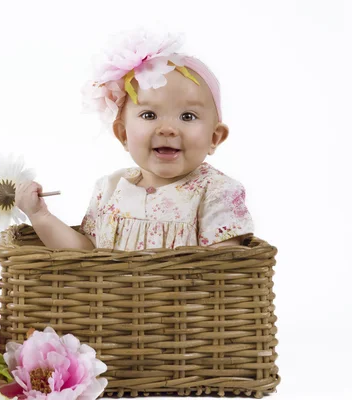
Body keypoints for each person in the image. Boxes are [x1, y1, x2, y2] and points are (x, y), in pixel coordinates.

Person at [16, 30, 254, 251]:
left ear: (214, 137)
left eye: (188, 116)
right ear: (123, 134)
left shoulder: (216, 192)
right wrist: (40, 215)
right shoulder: (109, 189)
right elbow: (85, 256)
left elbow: (224, 268)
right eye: (149, 115)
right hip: (108, 298)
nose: (168, 129)